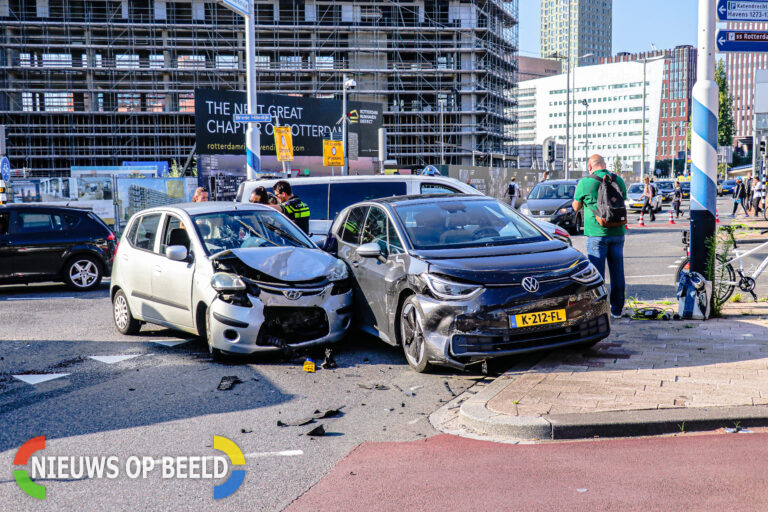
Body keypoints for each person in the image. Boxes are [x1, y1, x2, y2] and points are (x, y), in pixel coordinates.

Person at [573, 154, 627, 319]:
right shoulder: (618, 180)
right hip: (618, 233)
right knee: (618, 272)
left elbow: (576, 207)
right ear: (604, 164)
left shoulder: (585, 183)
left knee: (597, 275)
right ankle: (617, 310)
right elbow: (621, 199)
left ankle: (599, 310)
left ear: (590, 166)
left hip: (597, 234)